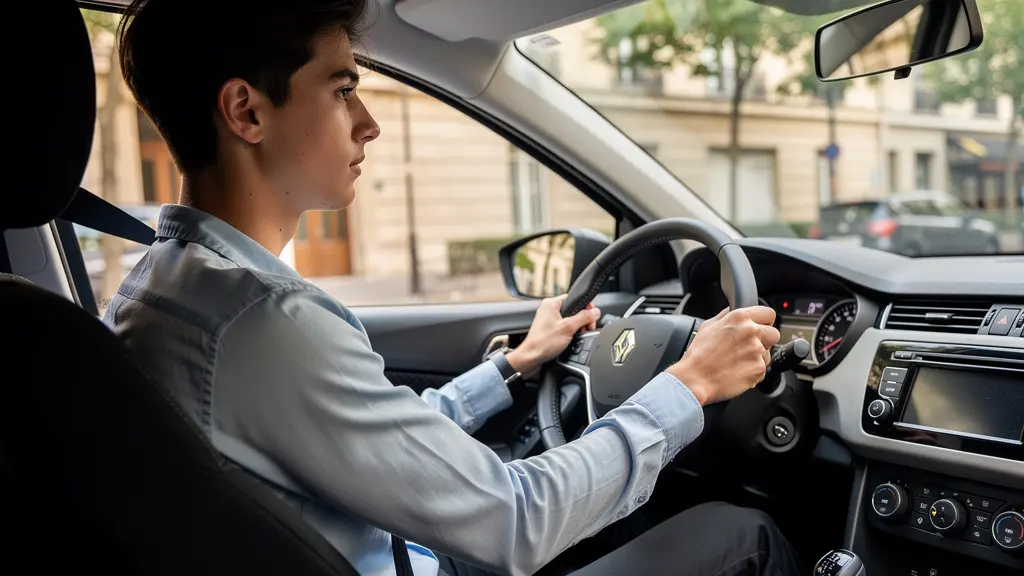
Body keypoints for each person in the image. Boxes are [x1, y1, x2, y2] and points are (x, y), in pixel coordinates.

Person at [105, 1, 798, 575]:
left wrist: (512, 365)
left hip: (401, 551)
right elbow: (518, 522)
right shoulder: (264, 321)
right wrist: (690, 383)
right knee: (741, 535)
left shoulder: (160, 289)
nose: (368, 123)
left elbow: (374, 441)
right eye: (343, 90)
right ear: (247, 113)